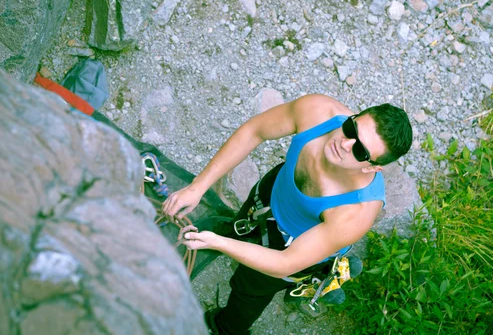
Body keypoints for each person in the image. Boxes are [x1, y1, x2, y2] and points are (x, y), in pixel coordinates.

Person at [163, 93, 413, 334]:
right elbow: (254, 131)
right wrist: (197, 187)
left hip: (288, 247)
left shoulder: (355, 212)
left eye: (360, 151)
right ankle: (244, 243)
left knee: (247, 288)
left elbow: (284, 264)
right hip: (268, 197)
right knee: (240, 227)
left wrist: (219, 243)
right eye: (351, 129)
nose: (344, 144)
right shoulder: (318, 112)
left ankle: (226, 328)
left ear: (373, 167)